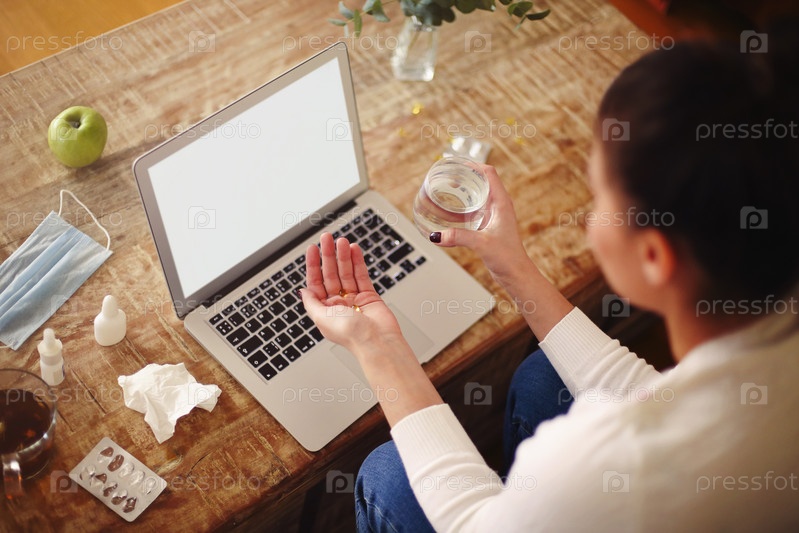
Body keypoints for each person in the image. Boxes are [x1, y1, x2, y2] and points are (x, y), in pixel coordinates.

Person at [300, 24, 799, 532]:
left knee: (388, 474)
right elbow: (649, 392)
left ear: (655, 255)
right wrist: (511, 265)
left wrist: (377, 345)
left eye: (599, 196)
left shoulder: (617, 462)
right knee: (546, 377)